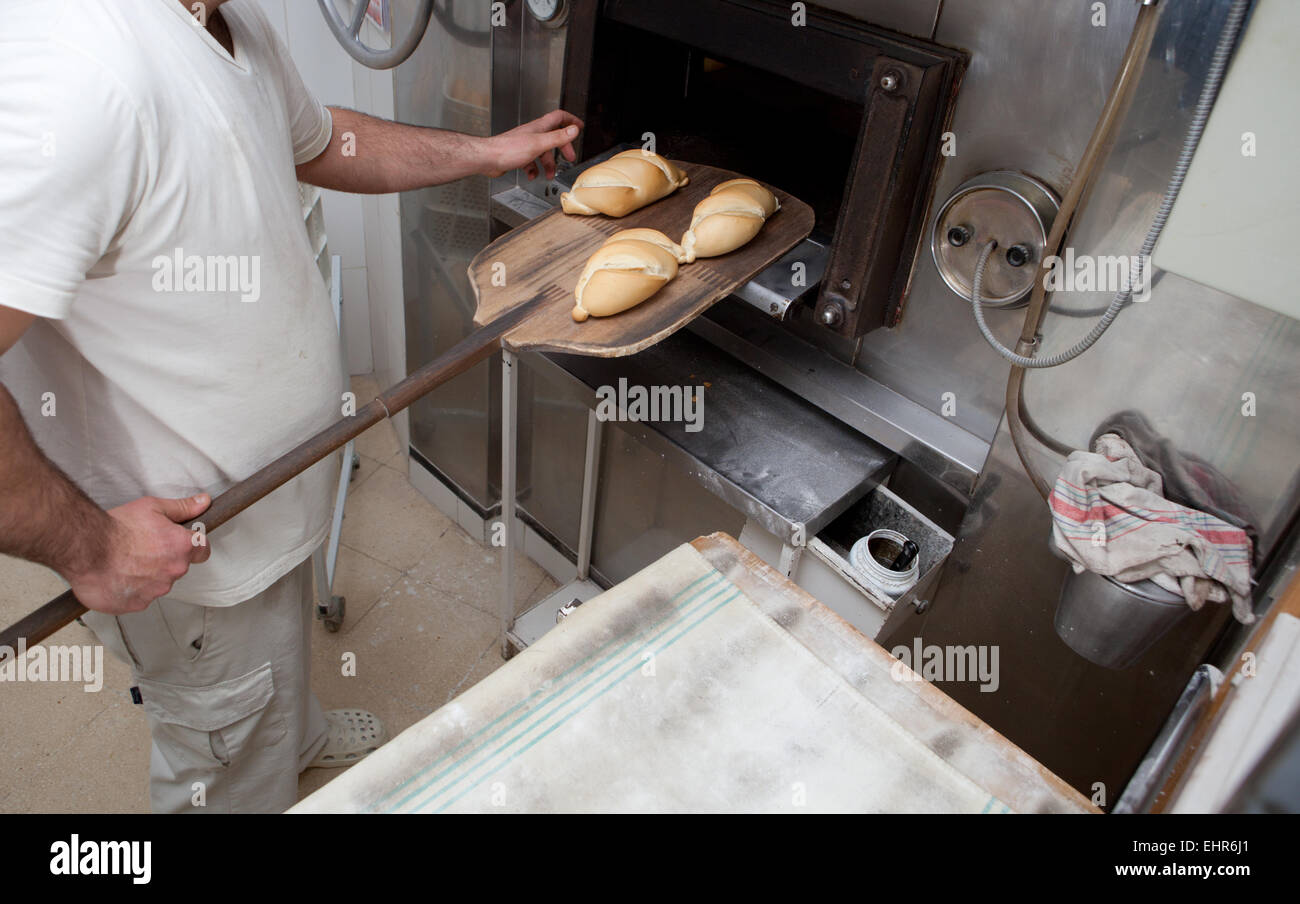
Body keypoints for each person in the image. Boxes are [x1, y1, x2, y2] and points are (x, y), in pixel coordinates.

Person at [0, 0, 582, 813]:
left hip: (268, 496)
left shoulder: (223, 17)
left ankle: (292, 735)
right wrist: (89, 544)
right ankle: (256, 763)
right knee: (225, 753)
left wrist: (483, 152)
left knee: (271, 662)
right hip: (189, 554)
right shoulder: (80, 71)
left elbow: (319, 141)